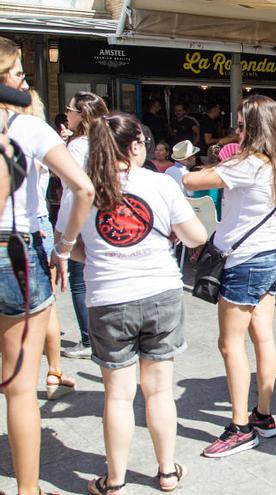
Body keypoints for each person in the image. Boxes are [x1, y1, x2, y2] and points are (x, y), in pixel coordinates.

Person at [59, 112, 207, 495]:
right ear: (136, 145)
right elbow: (196, 236)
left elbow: (68, 246)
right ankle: (167, 472)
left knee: (118, 395)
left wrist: (100, 252)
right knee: (159, 391)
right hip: (161, 293)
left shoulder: (83, 188)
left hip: (108, 298)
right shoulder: (160, 184)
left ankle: (116, 479)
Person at [183, 95, 276, 458]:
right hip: (273, 257)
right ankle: (263, 416)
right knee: (263, 338)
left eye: (239, 124)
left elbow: (191, 180)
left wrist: (215, 152)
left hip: (246, 262)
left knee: (230, 344)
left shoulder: (248, 164)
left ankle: (239, 426)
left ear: (252, 128)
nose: (235, 130)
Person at [0, 35, 95, 495]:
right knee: (19, 387)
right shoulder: (28, 129)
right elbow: (84, 189)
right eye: (19, 74)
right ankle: (27, 489)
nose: (25, 81)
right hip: (15, 250)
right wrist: (64, 246)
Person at [16, 90, 78, 400]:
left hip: (25, 227)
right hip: (32, 224)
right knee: (44, 306)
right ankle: (53, 372)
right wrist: (66, 245)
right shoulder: (35, 134)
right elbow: (80, 185)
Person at [61, 90, 109, 360]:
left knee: (79, 281)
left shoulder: (79, 146)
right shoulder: (107, 141)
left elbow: (73, 190)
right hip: (106, 217)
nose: (66, 114)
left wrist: (64, 231)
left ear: (82, 115)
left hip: (81, 217)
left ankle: (88, 339)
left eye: (70, 110)